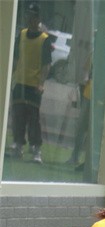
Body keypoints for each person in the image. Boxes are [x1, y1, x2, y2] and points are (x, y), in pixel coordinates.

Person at [7, 2, 55, 163]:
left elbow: (46, 65)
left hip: (34, 85)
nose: (29, 19)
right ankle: (18, 145)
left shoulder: (44, 39)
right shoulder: (21, 35)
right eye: (28, 15)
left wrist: (41, 83)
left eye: (33, 16)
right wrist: (11, 76)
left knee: (33, 118)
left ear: (38, 18)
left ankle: (36, 149)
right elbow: (15, 58)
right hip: (20, 81)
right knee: (18, 115)